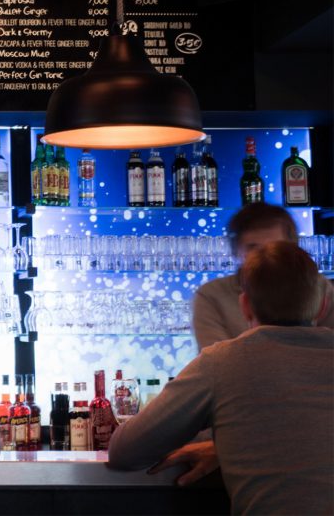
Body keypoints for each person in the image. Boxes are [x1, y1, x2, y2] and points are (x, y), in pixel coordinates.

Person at [108, 241, 333, 515]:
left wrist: (221, 446)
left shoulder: (223, 362)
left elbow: (125, 451)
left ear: (245, 306)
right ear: (323, 306)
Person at [193, 203, 333, 350]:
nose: (265, 256)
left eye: (275, 246)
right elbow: (217, 359)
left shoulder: (320, 286)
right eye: (253, 248)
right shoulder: (211, 295)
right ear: (235, 251)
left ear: (294, 248)